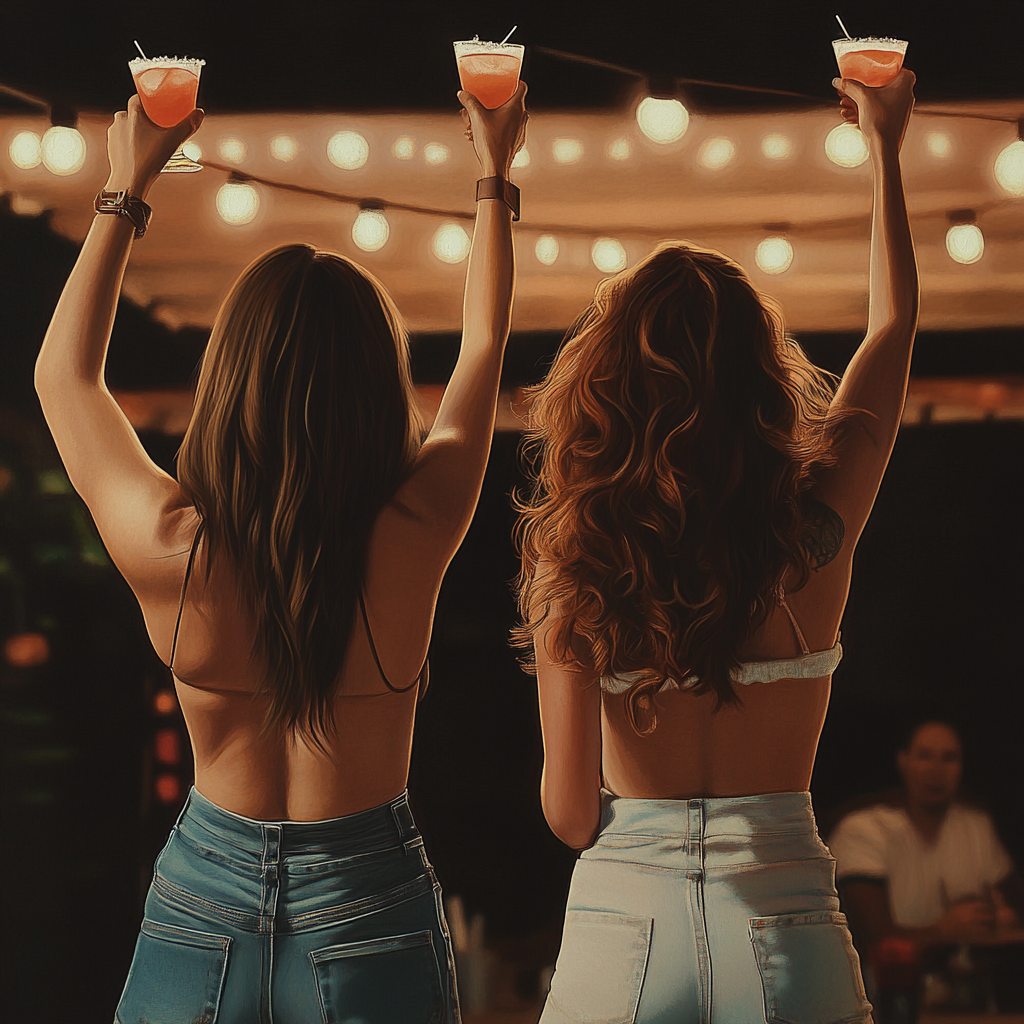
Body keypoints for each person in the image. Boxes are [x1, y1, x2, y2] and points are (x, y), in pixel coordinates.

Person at [34, 81, 527, 1023]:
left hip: (204, 895)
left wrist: (124, 183)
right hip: (368, 893)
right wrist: (493, 175)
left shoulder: (175, 549)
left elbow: (64, 377)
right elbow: (481, 349)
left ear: (229, 380)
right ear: (377, 390)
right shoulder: (414, 533)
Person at [513, 69, 917, 1022]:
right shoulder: (814, 529)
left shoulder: (577, 559)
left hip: (624, 921)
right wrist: (886, 150)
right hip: (784, 910)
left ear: (606, 386)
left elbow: (572, 817)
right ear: (761, 379)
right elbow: (894, 326)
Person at [830, 719, 1021, 950]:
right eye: (925, 756)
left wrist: (1003, 916)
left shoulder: (975, 825)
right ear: (903, 761)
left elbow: (1010, 901)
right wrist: (941, 931)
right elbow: (876, 940)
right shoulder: (861, 830)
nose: (936, 770)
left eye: (948, 758)